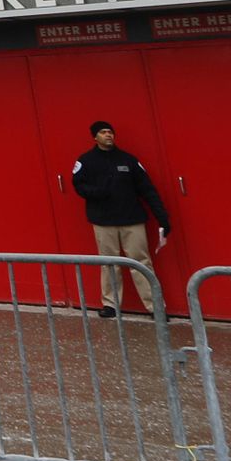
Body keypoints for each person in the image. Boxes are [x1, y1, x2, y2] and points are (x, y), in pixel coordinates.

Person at [70, 120, 170, 317]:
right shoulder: (86, 161)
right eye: (103, 132)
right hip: (103, 222)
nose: (108, 135)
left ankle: (155, 307)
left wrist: (162, 217)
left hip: (132, 220)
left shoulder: (129, 160)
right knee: (109, 263)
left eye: (110, 132)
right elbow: (79, 186)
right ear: (95, 137)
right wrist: (98, 192)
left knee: (141, 262)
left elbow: (147, 189)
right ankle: (111, 305)